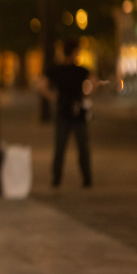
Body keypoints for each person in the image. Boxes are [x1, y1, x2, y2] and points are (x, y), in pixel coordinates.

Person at [39, 38, 94, 188]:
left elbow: (43, 85)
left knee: (60, 148)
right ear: (74, 52)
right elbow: (92, 84)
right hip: (76, 112)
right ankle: (86, 178)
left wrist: (54, 98)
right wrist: (85, 95)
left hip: (63, 111)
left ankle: (57, 178)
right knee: (81, 147)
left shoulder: (56, 69)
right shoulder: (81, 70)